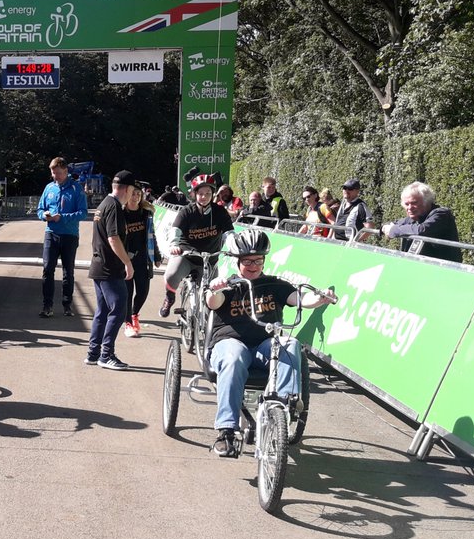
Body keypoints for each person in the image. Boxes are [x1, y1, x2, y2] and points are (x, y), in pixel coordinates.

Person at [206, 229, 337, 457]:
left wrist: (320, 298)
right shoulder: (230, 285)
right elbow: (213, 302)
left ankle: (284, 405)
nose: (253, 265)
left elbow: (301, 300)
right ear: (238, 262)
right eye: (247, 260)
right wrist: (215, 289)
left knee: (290, 343)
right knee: (234, 358)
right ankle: (226, 431)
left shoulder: (274, 285)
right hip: (230, 343)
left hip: (265, 346)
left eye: (258, 260)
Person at [158, 173, 234, 317]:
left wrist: (233, 245)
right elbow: (175, 230)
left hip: (209, 260)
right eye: (200, 194)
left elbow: (229, 232)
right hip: (186, 256)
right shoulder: (187, 212)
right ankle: (169, 298)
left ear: (213, 194)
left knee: (212, 295)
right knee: (171, 275)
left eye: (208, 193)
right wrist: (174, 245)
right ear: (194, 194)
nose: (204, 197)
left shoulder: (220, 212)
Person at [85, 171, 135, 370]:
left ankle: (93, 352)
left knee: (103, 310)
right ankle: (106, 354)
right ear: (127, 188)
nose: (133, 194)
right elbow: (113, 239)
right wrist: (127, 263)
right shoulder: (113, 207)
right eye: (132, 189)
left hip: (99, 265)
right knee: (119, 309)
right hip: (109, 268)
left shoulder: (105, 204)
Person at [36, 156, 89, 317]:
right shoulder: (49, 188)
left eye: (58, 173)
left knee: (68, 272)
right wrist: (44, 216)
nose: (55, 176)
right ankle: (47, 306)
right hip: (51, 234)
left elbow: (83, 213)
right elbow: (39, 209)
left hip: (69, 235)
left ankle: (67, 304)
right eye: (53, 173)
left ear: (66, 171)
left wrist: (63, 217)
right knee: (47, 270)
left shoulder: (76, 188)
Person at [382, 181, 463, 262]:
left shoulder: (441, 214)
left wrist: (394, 230)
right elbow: (390, 224)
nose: (409, 208)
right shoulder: (413, 217)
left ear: (426, 201)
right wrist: (386, 227)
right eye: (406, 204)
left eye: (414, 203)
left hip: (445, 269)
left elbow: (422, 230)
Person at [122, 184, 157, 338]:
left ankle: (135, 314)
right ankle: (128, 322)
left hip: (143, 259)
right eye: (132, 194)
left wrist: (156, 254)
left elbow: (152, 235)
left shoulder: (146, 213)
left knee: (143, 292)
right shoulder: (121, 213)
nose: (135, 197)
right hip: (125, 259)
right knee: (127, 293)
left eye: (138, 194)